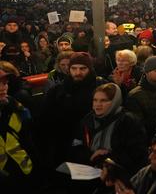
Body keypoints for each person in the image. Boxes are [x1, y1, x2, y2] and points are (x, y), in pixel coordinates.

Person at [38, 52, 107, 169]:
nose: (78, 73)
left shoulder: (101, 88)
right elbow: (45, 120)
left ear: (90, 69)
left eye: (82, 68)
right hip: (64, 145)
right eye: (74, 68)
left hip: (94, 144)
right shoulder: (57, 91)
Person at [0, 61, 38, 192]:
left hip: (23, 171)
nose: (3, 87)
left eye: (5, 83)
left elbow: (28, 138)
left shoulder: (16, 107)